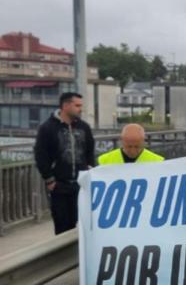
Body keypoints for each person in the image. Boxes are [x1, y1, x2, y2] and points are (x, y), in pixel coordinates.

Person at [34, 92, 96, 235]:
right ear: (66, 106)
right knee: (62, 226)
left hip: (81, 185)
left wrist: (90, 171)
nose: (80, 109)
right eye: (77, 105)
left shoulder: (84, 127)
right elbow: (40, 155)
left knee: (82, 226)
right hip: (59, 185)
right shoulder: (47, 128)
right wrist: (49, 179)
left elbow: (90, 151)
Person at [97, 124, 165, 165]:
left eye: (137, 147)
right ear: (122, 141)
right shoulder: (103, 161)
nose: (133, 151)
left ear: (143, 142)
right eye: (129, 147)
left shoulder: (158, 162)